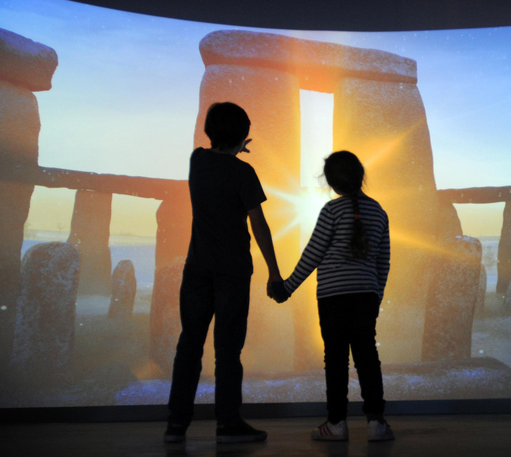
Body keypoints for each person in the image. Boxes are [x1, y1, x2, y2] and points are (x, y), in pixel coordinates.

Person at [164, 102, 282, 444]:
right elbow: (258, 223)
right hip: (232, 271)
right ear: (244, 136)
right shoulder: (243, 173)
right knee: (228, 351)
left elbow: (216, 152)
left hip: (197, 269)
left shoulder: (197, 161)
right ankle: (227, 423)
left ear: (209, 131)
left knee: (189, 345)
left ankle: (176, 425)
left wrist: (232, 144)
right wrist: (274, 273)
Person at [270, 150, 394, 442]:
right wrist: (377, 296)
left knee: (335, 359)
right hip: (365, 296)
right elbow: (383, 261)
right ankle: (376, 423)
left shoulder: (330, 212)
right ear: (361, 177)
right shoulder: (379, 212)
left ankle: (336, 424)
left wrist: (286, 287)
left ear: (331, 183)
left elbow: (312, 254)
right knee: (367, 358)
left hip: (332, 298)